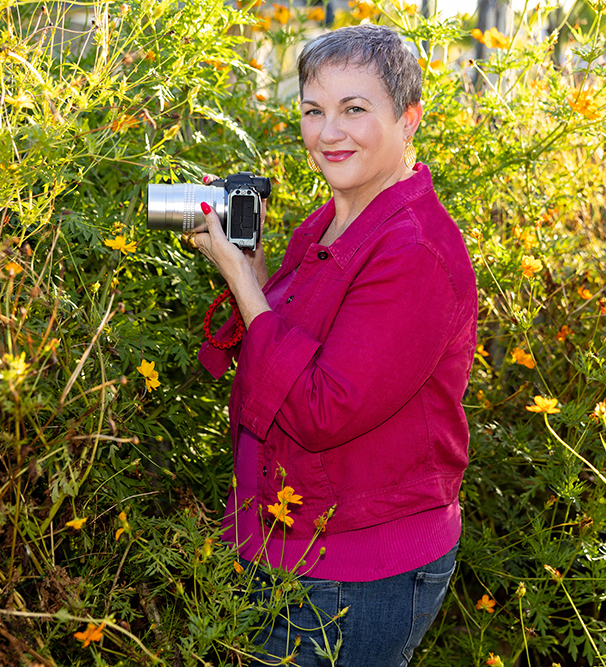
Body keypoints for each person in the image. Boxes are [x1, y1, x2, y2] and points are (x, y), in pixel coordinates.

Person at [192, 23, 477, 667]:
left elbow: (325, 408)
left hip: (359, 568)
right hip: (286, 541)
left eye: (355, 109)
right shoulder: (333, 218)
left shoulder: (415, 252)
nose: (328, 133)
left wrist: (242, 285)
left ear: (409, 119)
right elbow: (297, 342)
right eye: (313, 111)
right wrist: (256, 273)